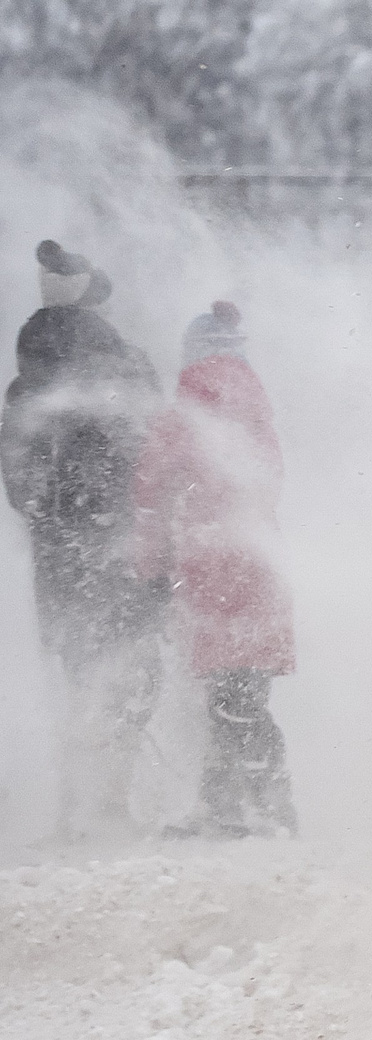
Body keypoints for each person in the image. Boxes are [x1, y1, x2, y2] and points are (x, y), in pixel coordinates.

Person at [1, 241, 164, 838]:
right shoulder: (129, 366)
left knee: (75, 670)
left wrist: (52, 518)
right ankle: (117, 801)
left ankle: (74, 808)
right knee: (131, 666)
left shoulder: (25, 387)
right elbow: (156, 448)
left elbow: (20, 485)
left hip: (61, 553)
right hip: (126, 543)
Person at [130, 302, 297, 838]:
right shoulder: (258, 410)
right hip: (261, 568)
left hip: (214, 567)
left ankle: (270, 813)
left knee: (233, 698)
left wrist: (150, 570)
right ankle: (228, 808)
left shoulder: (186, 410)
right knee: (241, 692)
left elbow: (150, 492)